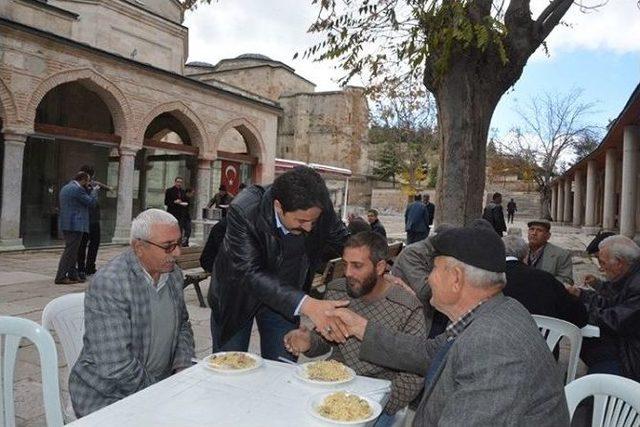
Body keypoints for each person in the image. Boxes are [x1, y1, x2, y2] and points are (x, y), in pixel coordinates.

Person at [329, 224, 570, 425]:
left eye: (433, 269)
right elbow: (428, 353)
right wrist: (360, 327)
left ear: (455, 278)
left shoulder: (492, 345)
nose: (428, 278)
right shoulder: (493, 312)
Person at [208, 166, 350, 361]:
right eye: (301, 221)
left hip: (286, 299)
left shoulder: (319, 208)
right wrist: (307, 304)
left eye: (313, 221)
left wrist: (382, 269)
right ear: (278, 206)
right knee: (229, 366)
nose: (309, 228)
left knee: (283, 366)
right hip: (238, 297)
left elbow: (347, 242)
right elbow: (249, 272)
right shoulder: (245, 210)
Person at [284, 232, 426, 426]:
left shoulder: (408, 307)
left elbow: (414, 374)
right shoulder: (337, 290)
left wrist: (375, 406)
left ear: (380, 267)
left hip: (379, 399)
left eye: (357, 265)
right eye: (346, 263)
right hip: (331, 387)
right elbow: (325, 341)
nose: (348, 272)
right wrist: (308, 342)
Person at [69, 209, 195, 417]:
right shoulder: (111, 283)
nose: (177, 253)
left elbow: (183, 325)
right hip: (108, 397)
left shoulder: (173, 275)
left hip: (159, 385)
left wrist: (182, 367)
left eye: (178, 243)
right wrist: (162, 393)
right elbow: (116, 367)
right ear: (139, 247)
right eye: (168, 246)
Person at [565, 235, 640, 380]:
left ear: (619, 263)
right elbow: (611, 301)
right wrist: (580, 294)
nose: (600, 268)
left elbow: (615, 319)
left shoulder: (636, 284)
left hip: (631, 354)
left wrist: (580, 309)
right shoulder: (629, 275)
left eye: (603, 263)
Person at [503, 235, 587, 327]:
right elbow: (578, 316)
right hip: (540, 338)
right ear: (525, 255)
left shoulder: (489, 277)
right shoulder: (544, 278)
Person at [390, 223, 454, 337]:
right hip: (412, 309)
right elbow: (424, 291)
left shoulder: (438, 252)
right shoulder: (413, 253)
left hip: (431, 308)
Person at [54, 171, 98, 285]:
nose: (88, 183)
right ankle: (61, 276)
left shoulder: (66, 187)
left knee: (73, 251)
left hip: (67, 223)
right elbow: (91, 202)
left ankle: (73, 275)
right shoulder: (77, 190)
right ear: (83, 180)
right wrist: (94, 191)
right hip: (75, 224)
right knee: (70, 251)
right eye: (87, 181)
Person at [76, 165, 112, 279]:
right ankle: (88, 267)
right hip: (91, 219)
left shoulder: (80, 186)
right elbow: (104, 189)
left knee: (82, 245)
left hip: (85, 219)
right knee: (92, 244)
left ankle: (82, 267)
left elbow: (104, 187)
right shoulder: (87, 186)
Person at [526, 219, 573, 284]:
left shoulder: (561, 254)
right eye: (531, 229)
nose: (534, 233)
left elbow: (567, 280)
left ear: (548, 236)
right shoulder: (519, 250)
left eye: (539, 230)